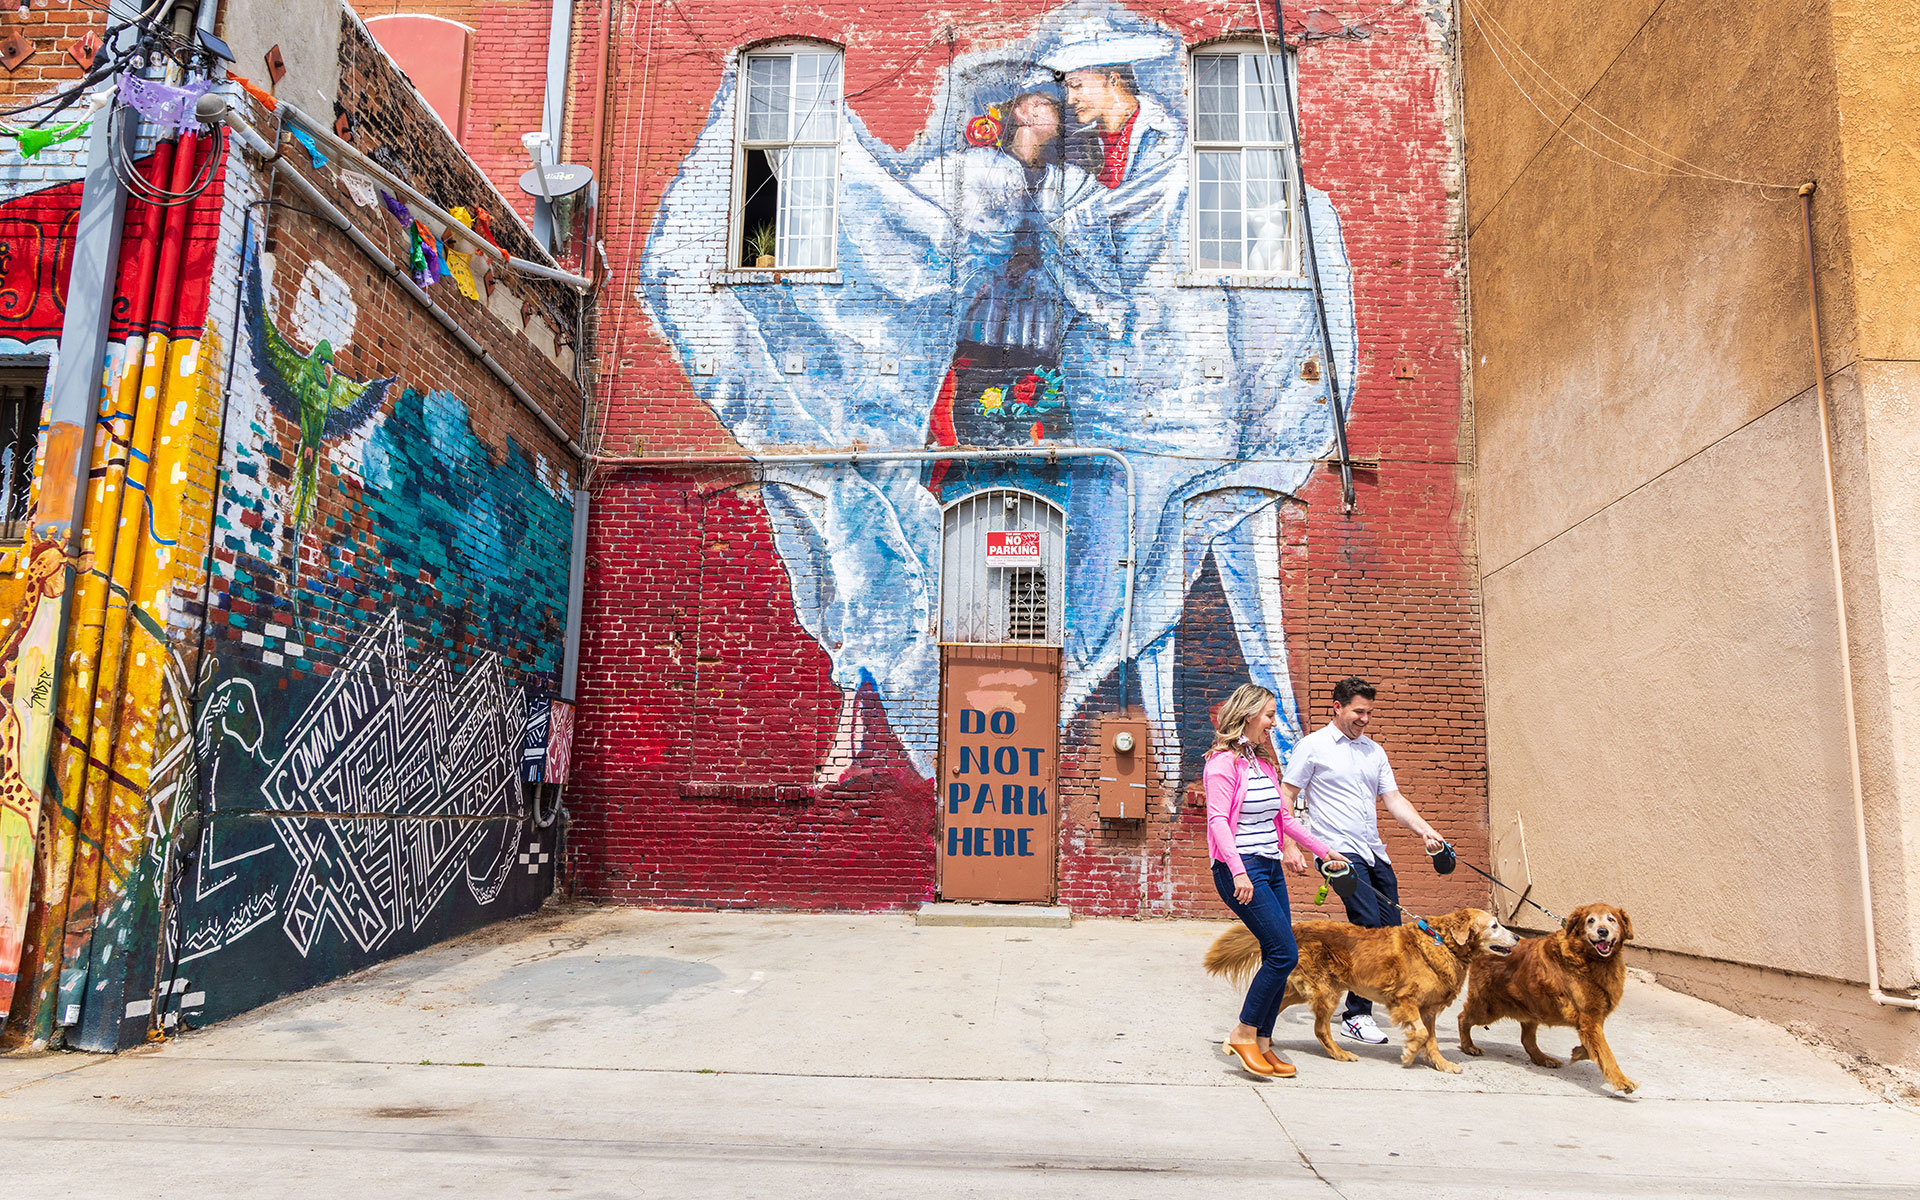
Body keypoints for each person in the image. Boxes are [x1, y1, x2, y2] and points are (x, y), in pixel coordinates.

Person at [1281, 677, 1447, 1046]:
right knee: (1368, 924)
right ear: (1337, 707)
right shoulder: (1313, 747)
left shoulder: (1375, 752)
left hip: (1374, 850)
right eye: (1359, 711)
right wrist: (1290, 846)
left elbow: (1395, 800)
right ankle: (1356, 1015)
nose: (1365, 719)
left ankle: (1380, 1002)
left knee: (1393, 931)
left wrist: (1425, 830)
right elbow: (1287, 795)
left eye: (1369, 712)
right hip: (1337, 852)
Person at [1205, 683, 1348, 1078]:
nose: (1273, 721)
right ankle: (1243, 1032)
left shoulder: (1263, 763)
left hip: (1268, 865)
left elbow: (1282, 818)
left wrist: (1323, 849)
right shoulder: (1221, 764)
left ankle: (1264, 1041)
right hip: (1241, 868)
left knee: (1279, 956)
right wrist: (1236, 870)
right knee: (1284, 952)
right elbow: (1217, 821)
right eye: (1268, 714)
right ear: (1248, 715)